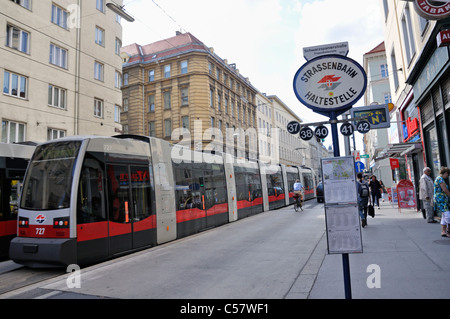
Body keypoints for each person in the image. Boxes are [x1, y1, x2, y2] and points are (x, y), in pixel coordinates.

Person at [434, 167, 450, 237]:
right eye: (448, 175)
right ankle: (448, 230)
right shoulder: (440, 179)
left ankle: (443, 231)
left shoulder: (439, 178)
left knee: (444, 215)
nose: (448, 177)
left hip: (441, 200)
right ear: (446, 173)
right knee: (448, 215)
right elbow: (445, 190)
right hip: (441, 200)